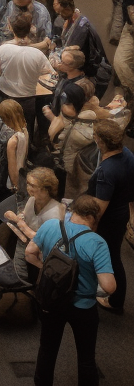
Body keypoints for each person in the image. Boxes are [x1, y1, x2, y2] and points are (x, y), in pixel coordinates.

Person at [26, 194, 116, 386]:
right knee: (86, 357)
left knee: (47, 349)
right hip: (83, 306)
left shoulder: (51, 226)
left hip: (52, 300)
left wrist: (47, 270)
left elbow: (29, 253)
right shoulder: (97, 242)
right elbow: (109, 286)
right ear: (93, 217)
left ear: (72, 211)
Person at [86, 118, 134, 314]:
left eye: (96, 137)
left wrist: (90, 229)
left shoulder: (107, 171)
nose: (94, 139)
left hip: (109, 220)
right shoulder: (128, 154)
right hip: (121, 213)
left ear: (102, 142)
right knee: (113, 254)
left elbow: (99, 209)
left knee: (110, 257)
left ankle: (115, 302)